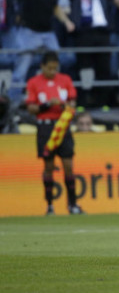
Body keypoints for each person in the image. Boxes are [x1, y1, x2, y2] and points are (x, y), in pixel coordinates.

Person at [25, 52, 83, 215]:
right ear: (42, 66)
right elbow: (31, 108)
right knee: (48, 166)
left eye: (55, 68)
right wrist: (47, 105)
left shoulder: (65, 80)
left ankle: (73, 205)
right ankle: (50, 206)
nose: (52, 71)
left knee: (68, 166)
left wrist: (64, 104)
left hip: (62, 126)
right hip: (45, 127)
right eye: (49, 68)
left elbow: (73, 102)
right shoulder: (33, 82)